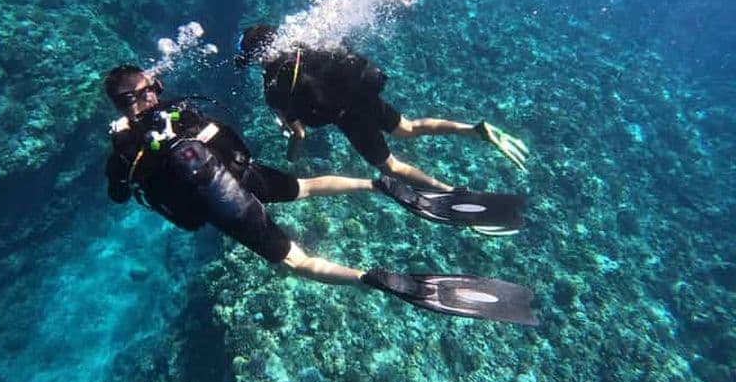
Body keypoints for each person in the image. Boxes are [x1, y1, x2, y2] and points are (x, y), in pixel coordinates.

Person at [103, 65, 537, 324]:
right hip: (251, 176)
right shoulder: (183, 113)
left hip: (229, 211)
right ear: (147, 90)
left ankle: (371, 277)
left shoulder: (124, 150)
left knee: (300, 261)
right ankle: (377, 184)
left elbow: (120, 195)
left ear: (121, 104)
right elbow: (234, 142)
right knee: (309, 187)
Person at [236, 25, 530, 192]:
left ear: (255, 58)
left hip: (349, 118)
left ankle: (450, 192)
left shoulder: (273, 90)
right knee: (410, 128)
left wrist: (291, 154)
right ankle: (475, 129)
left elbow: (299, 136)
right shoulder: (304, 42)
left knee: (391, 167)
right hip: (363, 95)